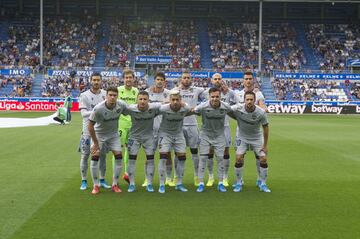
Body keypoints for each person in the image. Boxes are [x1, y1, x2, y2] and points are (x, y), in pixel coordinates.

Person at [228, 91, 271, 193]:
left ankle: (263, 184)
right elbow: (227, 110)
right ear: (244, 100)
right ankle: (239, 183)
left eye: (251, 99)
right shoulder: (238, 108)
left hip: (256, 137)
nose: (249, 101)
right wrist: (236, 117)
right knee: (238, 158)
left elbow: (266, 127)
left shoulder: (261, 112)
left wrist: (265, 145)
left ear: (254, 100)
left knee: (263, 159)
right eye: (247, 99)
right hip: (242, 137)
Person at [88, 86, 128, 195]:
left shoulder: (121, 105)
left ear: (117, 96)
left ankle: (115, 184)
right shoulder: (98, 108)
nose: (112, 97)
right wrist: (95, 143)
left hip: (113, 135)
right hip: (99, 135)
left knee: (119, 157)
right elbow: (90, 126)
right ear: (106, 96)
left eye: (114, 95)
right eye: (110, 95)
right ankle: (96, 185)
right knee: (95, 157)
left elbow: (131, 111)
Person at [203, 73, 239, 187]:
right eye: (215, 79)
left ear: (222, 80)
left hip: (224, 126)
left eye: (219, 79)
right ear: (211, 80)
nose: (217, 80)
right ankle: (210, 177)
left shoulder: (229, 92)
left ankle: (224, 177)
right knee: (210, 151)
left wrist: (228, 109)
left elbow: (239, 103)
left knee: (225, 152)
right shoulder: (206, 92)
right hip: (210, 127)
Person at [194, 87, 232, 193]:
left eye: (217, 97)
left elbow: (234, 113)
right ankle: (201, 183)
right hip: (205, 135)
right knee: (203, 158)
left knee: (220, 159)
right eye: (212, 97)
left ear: (220, 97)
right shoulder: (203, 106)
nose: (215, 99)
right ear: (209, 97)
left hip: (219, 135)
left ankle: (220, 183)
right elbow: (193, 111)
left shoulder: (226, 107)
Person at [122, 91, 161, 193]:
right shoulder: (131, 108)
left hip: (149, 137)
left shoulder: (154, 107)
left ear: (148, 100)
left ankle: (149, 183)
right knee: (132, 160)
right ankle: (132, 184)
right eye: (140, 99)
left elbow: (166, 105)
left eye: (145, 99)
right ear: (137, 100)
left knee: (150, 160)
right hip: (134, 137)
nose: (142, 101)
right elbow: (120, 108)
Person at [78, 72, 110, 191]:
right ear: (91, 81)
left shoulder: (105, 94)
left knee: (102, 156)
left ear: (101, 81)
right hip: (87, 131)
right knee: (85, 155)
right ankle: (84, 180)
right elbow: (83, 114)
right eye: (94, 80)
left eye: (98, 80)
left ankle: (102, 179)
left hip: (102, 131)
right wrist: (98, 111)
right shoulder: (84, 95)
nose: (96, 82)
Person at [173, 70, 206, 186]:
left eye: (188, 77)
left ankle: (196, 176)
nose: (186, 79)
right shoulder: (175, 91)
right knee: (178, 152)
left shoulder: (197, 90)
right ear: (181, 79)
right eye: (184, 77)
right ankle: (176, 177)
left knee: (194, 152)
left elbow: (211, 96)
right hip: (178, 125)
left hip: (192, 125)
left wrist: (197, 108)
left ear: (191, 79)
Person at [235, 71, 267, 188]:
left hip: (255, 132)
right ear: (243, 81)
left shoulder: (258, 94)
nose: (248, 81)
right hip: (241, 131)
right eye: (246, 79)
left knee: (259, 156)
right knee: (239, 157)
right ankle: (239, 181)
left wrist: (261, 108)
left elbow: (263, 106)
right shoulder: (237, 93)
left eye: (250, 79)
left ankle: (260, 179)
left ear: (253, 80)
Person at [157, 90, 191, 193]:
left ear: (181, 100)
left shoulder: (184, 108)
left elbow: (189, 108)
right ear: (169, 100)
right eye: (173, 100)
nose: (175, 102)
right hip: (165, 134)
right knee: (163, 158)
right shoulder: (163, 109)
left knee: (182, 158)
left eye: (177, 100)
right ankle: (162, 184)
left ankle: (179, 183)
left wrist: (185, 104)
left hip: (178, 134)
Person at [145, 72, 173, 187]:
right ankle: (147, 179)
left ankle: (169, 178)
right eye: (158, 79)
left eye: (162, 79)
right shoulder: (147, 92)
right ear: (154, 80)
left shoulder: (169, 94)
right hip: (150, 129)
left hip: (165, 129)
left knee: (167, 154)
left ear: (164, 81)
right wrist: (161, 103)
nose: (159, 81)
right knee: (149, 155)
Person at [116, 69, 139, 184]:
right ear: (123, 79)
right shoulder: (118, 90)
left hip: (132, 125)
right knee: (117, 150)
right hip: (120, 124)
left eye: (130, 77)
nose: (128, 79)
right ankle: (115, 177)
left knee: (130, 150)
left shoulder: (136, 91)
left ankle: (126, 173)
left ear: (133, 79)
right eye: (126, 77)